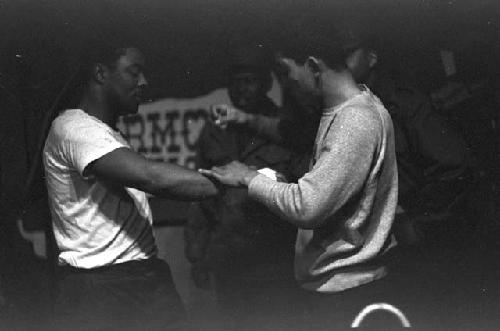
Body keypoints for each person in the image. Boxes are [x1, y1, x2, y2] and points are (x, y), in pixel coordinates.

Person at [200, 37, 401, 329]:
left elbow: (308, 206)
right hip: (338, 287)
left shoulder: (355, 119)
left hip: (348, 292)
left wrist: (248, 177)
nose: (287, 84)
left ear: (312, 66)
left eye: (286, 73)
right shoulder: (341, 112)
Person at [43, 41, 220, 330]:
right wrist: (238, 182)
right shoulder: (74, 128)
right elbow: (151, 177)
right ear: (101, 73)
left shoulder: (105, 132)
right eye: (133, 72)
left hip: (139, 277)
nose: (144, 82)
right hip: (102, 287)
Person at [184, 44, 298, 331]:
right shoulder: (215, 130)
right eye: (235, 83)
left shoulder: (285, 128)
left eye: (249, 81)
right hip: (230, 260)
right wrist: (197, 255)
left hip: (274, 260)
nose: (241, 90)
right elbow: (200, 197)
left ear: (265, 85)